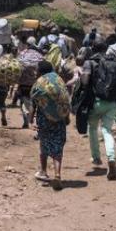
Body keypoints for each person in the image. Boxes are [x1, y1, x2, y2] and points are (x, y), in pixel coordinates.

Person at [81, 40, 116, 180]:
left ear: (93, 49)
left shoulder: (90, 62)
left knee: (92, 129)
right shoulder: (114, 62)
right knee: (107, 131)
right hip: (111, 102)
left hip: (95, 102)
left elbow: (85, 82)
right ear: (106, 49)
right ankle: (111, 157)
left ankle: (96, 158)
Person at [32, 61, 69, 190]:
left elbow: (34, 104)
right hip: (59, 119)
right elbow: (65, 99)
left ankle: (43, 171)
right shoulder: (59, 79)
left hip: (44, 120)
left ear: (40, 71)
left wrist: (31, 120)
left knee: (44, 145)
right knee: (57, 147)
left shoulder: (39, 83)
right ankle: (57, 175)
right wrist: (67, 117)